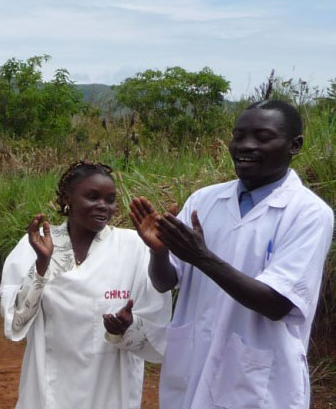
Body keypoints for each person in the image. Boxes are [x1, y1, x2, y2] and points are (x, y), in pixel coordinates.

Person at [130, 100, 334, 408]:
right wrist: (158, 253)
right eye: (238, 136)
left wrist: (202, 258)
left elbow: (277, 303)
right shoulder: (205, 200)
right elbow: (165, 282)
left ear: (295, 145)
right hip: (192, 371)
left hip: (257, 383)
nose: (245, 146)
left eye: (262, 137)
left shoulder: (308, 213)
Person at [0, 161, 171, 408]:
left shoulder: (133, 246)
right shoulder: (35, 246)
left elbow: (157, 322)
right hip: (50, 387)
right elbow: (15, 323)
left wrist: (127, 326)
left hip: (111, 385)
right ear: (68, 198)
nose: (103, 206)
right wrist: (41, 266)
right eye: (92, 197)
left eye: (110, 200)